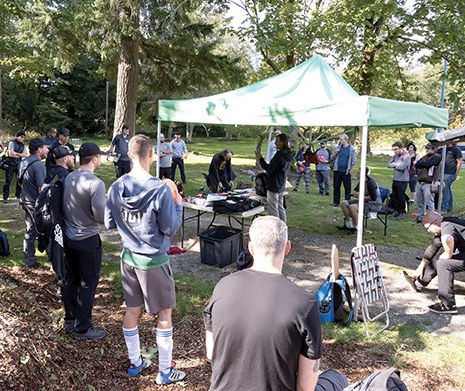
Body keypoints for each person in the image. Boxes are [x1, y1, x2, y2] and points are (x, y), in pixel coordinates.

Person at [204, 216, 348, 391]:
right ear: (287, 247)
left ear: (251, 248)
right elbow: (305, 386)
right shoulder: (305, 304)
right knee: (337, 378)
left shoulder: (222, 287)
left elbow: (212, 353)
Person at [104, 134, 186, 385]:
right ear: (151, 155)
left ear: (129, 155)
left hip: (128, 258)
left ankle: (135, 361)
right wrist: (179, 205)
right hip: (153, 262)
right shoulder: (161, 189)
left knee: (132, 309)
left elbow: (108, 222)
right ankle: (164, 371)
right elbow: (169, 228)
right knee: (164, 314)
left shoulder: (117, 186)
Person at [62, 142, 107, 341]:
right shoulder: (95, 183)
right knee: (88, 283)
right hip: (87, 239)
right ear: (95, 158)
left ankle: (70, 320)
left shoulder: (69, 177)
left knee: (70, 280)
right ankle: (83, 328)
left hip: (68, 238)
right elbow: (100, 216)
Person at [403, 211, 465, 314]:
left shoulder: (446, 225)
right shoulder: (445, 225)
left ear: (435, 223)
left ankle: (448, 305)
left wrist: (448, 253)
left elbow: (448, 239)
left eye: (428, 228)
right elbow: (432, 248)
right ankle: (419, 283)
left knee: (443, 263)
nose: (428, 231)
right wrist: (420, 268)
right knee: (438, 259)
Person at [19, 138, 49, 268]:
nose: (47, 150)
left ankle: (29, 257)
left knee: (30, 229)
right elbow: (41, 189)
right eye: (45, 148)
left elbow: (20, 181)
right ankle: (37, 258)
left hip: (25, 199)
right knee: (43, 230)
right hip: (34, 203)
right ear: (39, 150)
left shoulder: (23, 162)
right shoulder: (38, 165)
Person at [257, 133, 293, 222]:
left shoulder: (279, 155)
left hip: (274, 184)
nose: (275, 144)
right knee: (281, 208)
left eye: (277, 141)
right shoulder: (288, 154)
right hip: (281, 183)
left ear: (282, 142)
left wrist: (261, 159)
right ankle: (283, 228)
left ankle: (276, 230)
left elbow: (269, 169)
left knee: (273, 209)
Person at [337, 167, 381, 235]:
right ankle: (348, 225)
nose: (356, 174)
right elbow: (355, 190)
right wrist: (355, 193)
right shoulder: (361, 182)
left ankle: (358, 228)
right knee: (343, 203)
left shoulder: (371, 183)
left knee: (353, 207)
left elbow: (373, 198)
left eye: (358, 173)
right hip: (363, 201)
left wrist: (361, 196)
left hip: (373, 204)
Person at [414, 143, 441, 223]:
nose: (426, 150)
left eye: (428, 149)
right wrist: (423, 165)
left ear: (433, 149)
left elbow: (428, 164)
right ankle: (420, 217)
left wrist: (423, 165)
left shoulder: (436, 157)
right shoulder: (424, 157)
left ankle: (431, 219)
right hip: (420, 181)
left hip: (429, 183)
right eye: (426, 148)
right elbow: (417, 165)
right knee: (420, 202)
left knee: (429, 202)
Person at [387, 141, 411, 219]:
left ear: (401, 148)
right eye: (393, 149)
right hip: (395, 179)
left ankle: (402, 212)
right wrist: (396, 164)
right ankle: (396, 210)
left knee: (401, 196)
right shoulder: (395, 156)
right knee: (395, 195)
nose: (395, 151)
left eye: (396, 149)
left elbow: (402, 167)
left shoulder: (406, 156)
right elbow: (388, 164)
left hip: (403, 179)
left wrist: (394, 164)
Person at [3, 131, 28, 204]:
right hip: (10, 164)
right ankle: (5, 196)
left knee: (19, 180)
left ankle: (18, 194)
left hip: (19, 164)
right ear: (17, 136)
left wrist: (16, 154)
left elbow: (25, 154)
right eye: (21, 137)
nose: (22, 139)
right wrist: (20, 155)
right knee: (8, 181)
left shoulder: (23, 145)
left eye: (24, 137)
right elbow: (10, 154)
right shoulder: (12, 143)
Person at [331, 134, 356, 207]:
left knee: (347, 187)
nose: (340, 141)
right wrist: (336, 152)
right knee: (336, 186)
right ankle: (336, 202)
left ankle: (347, 202)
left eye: (341, 139)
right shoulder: (338, 148)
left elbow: (353, 161)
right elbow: (332, 157)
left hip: (346, 171)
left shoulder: (351, 149)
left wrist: (350, 169)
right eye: (340, 139)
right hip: (337, 170)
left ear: (345, 140)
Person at [439, 144, 462, 215]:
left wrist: (456, 173)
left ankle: (444, 209)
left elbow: (460, 161)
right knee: (448, 189)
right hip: (443, 172)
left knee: (445, 190)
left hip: (450, 173)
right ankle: (449, 207)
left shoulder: (455, 149)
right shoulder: (443, 149)